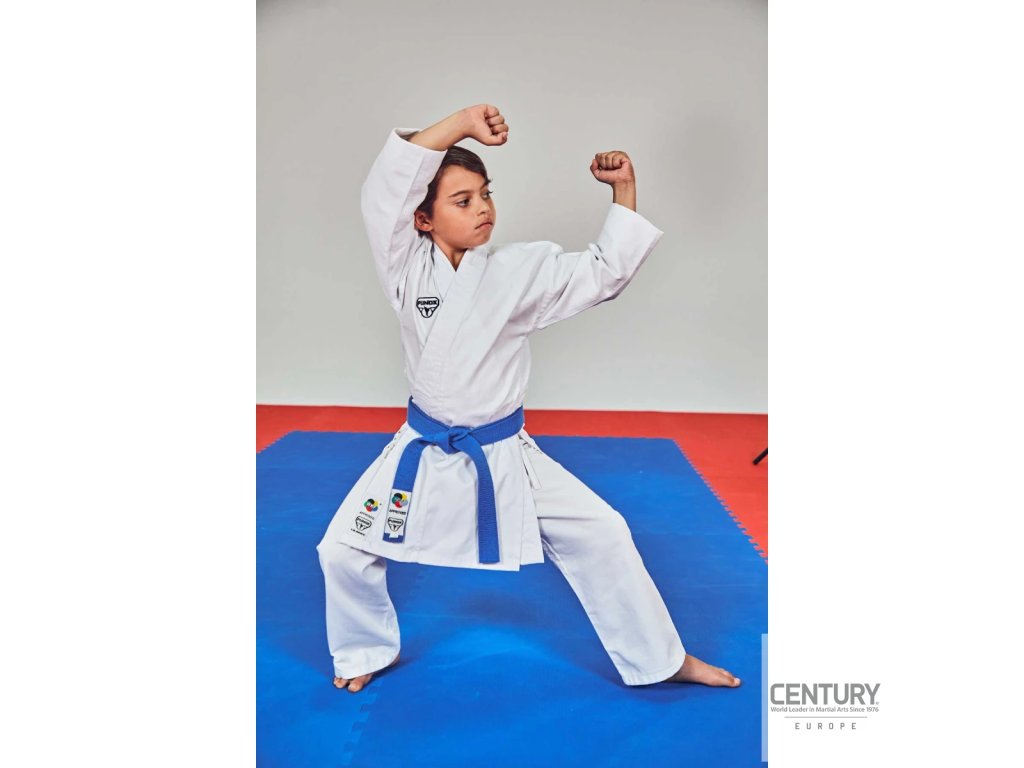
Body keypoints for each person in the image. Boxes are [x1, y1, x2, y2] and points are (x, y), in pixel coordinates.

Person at [316, 104, 741, 693]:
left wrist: (623, 189)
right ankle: (364, 649)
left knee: (604, 531)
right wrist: (463, 122)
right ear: (423, 218)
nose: (483, 208)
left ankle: (663, 659)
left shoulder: (519, 271)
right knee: (342, 550)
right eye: (462, 200)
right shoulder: (404, 266)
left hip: (504, 456)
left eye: (486, 194)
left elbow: (605, 273)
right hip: (422, 449)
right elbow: (389, 182)